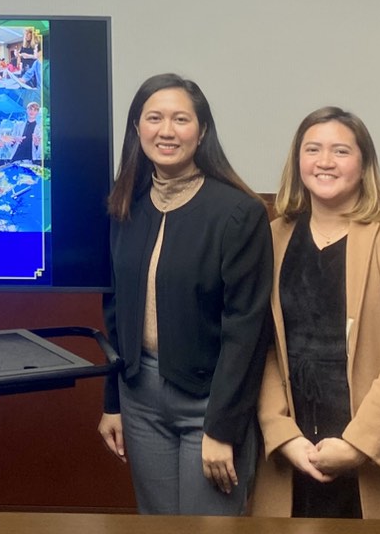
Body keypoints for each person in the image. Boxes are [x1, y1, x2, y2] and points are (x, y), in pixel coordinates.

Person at [253, 107, 380, 520]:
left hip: (379, 450)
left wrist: (358, 443)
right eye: (312, 149)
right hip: (295, 453)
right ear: (298, 162)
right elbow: (262, 346)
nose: (325, 161)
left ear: (364, 165)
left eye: (341, 151)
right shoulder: (272, 238)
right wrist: (281, 434)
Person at [98, 73, 272, 515]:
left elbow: (246, 332)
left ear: (203, 131)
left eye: (181, 119)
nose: (167, 130)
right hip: (140, 396)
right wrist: (112, 403)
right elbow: (114, 312)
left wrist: (222, 427)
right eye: (154, 118)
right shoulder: (123, 208)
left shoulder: (238, 213)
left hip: (209, 402)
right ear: (137, 128)